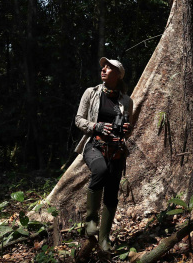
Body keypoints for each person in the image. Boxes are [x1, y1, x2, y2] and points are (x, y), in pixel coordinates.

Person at [74, 57, 133, 252]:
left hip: (117, 150)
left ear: (118, 75)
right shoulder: (91, 93)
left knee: (112, 193)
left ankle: (104, 238)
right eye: (103, 67)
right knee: (100, 171)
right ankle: (91, 220)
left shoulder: (126, 100)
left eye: (110, 68)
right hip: (95, 145)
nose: (104, 69)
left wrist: (127, 128)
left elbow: (126, 128)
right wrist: (96, 126)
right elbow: (78, 119)